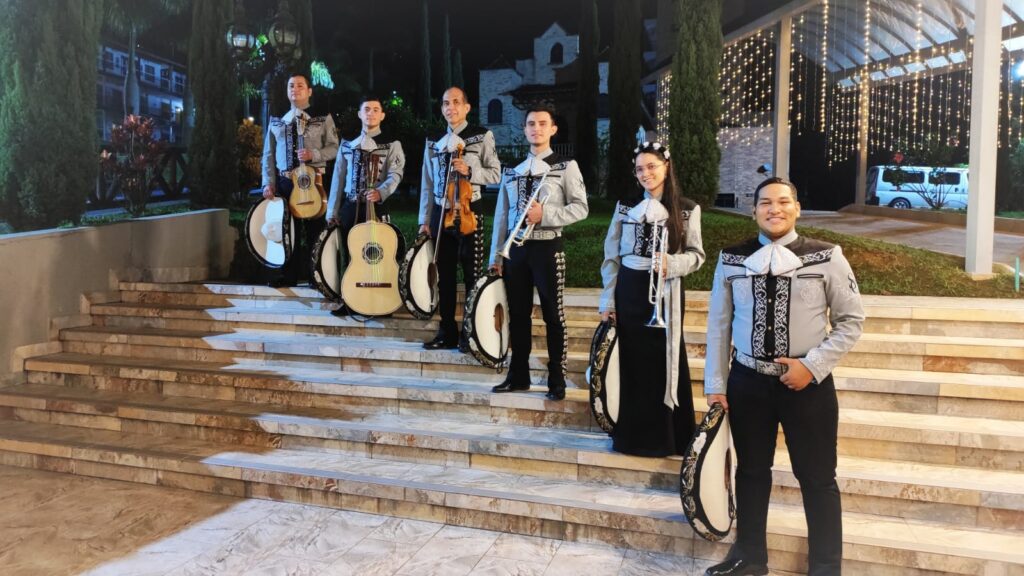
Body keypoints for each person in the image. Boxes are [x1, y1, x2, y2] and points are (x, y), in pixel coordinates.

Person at [702, 177, 864, 576]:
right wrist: (716, 385)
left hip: (808, 387)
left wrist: (811, 366)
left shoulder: (827, 256)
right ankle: (749, 557)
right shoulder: (731, 258)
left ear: (796, 208)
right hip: (748, 382)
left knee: (818, 478)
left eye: (783, 201)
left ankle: (826, 568)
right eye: (765, 203)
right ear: (753, 210)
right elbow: (718, 326)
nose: (774, 209)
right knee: (751, 472)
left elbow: (851, 321)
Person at [598, 141, 704, 455]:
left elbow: (697, 255)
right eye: (640, 169)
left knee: (665, 358)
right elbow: (611, 256)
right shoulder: (625, 206)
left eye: (652, 166)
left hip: (667, 292)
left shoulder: (686, 208)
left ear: (666, 167)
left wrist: (674, 263)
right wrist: (608, 299)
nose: (646, 174)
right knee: (633, 360)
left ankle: (670, 436)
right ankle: (633, 436)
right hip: (629, 290)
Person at [488, 106, 589, 401]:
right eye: (531, 124)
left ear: (553, 129)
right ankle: (518, 375)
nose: (537, 128)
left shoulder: (565, 166)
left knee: (553, 315)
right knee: (518, 315)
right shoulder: (512, 171)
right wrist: (497, 256)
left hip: (547, 247)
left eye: (543, 124)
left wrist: (545, 214)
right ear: (525, 129)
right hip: (516, 251)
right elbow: (502, 217)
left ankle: (557, 377)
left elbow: (581, 208)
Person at [417, 86, 501, 350]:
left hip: (470, 212)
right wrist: (424, 219)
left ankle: (472, 332)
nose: (450, 107)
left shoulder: (481, 135)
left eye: (456, 102)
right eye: (445, 103)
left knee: (473, 274)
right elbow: (427, 183)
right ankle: (447, 332)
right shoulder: (433, 140)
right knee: (445, 276)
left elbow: (496, 174)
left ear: (466, 107)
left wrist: (470, 169)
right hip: (442, 213)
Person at [327, 95, 406, 316]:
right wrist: (332, 211)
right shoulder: (347, 144)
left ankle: (380, 300)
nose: (370, 113)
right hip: (351, 206)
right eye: (366, 109)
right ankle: (349, 299)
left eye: (375, 109)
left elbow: (396, 174)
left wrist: (380, 192)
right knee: (350, 255)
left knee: (379, 253)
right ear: (360, 114)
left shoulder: (392, 144)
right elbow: (338, 179)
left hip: (377, 207)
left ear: (382, 115)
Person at [261, 72, 339, 288]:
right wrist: (268, 182)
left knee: (316, 230)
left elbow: (335, 148)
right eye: (291, 86)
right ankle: (287, 275)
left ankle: (318, 276)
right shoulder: (276, 121)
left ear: (309, 91)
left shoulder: (323, 119)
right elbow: (268, 154)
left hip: (315, 182)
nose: (295, 89)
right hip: (286, 182)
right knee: (286, 230)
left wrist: (314, 154)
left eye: (300, 86)